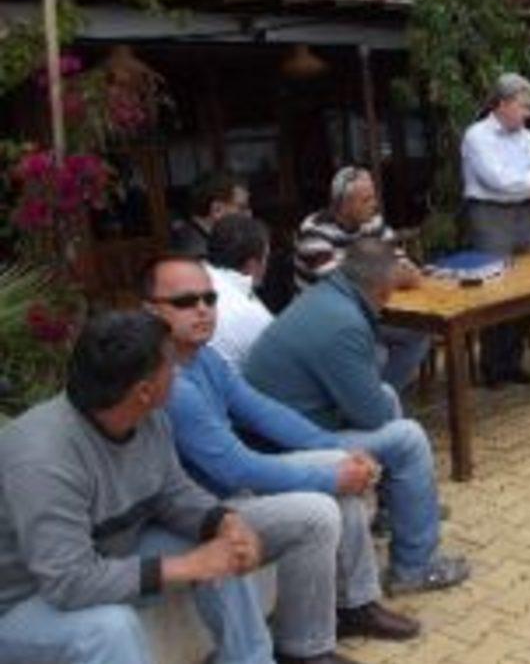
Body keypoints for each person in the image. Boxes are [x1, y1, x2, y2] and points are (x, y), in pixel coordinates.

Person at [0, 311, 351, 664]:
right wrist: (188, 566)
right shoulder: (42, 458)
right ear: (143, 391)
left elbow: (172, 492)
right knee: (109, 628)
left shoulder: (148, 417)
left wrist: (224, 521)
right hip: (21, 602)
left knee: (223, 548)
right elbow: (69, 582)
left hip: (105, 556)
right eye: (171, 365)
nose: (180, 372)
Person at [144, 256, 451, 630]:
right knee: (329, 498)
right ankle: (307, 643)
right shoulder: (173, 385)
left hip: (239, 480)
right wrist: (331, 475)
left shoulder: (203, 357)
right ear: (151, 310)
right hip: (207, 508)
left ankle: (356, 605)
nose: (202, 309)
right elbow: (236, 468)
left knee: (342, 473)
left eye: (209, 298)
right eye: (185, 301)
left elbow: (262, 410)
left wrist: (335, 449)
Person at [294, 166, 430, 389]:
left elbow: (400, 259)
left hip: (366, 314)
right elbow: (342, 285)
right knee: (376, 354)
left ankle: (382, 397)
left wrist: (401, 270)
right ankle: (368, 400)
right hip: (324, 321)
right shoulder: (314, 231)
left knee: (418, 333)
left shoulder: (372, 221)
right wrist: (391, 275)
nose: (374, 204)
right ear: (344, 205)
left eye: (373, 197)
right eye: (366, 200)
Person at [461, 72, 530, 387]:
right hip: (489, 215)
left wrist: (525, 183)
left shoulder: (527, 136)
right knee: (496, 288)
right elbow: (497, 181)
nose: (529, 113)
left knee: (525, 287)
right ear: (501, 104)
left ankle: (514, 361)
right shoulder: (476, 136)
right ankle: (492, 366)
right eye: (523, 106)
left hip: (522, 214)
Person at [207, 214, 274, 370]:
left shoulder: (191, 278)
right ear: (252, 265)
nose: (267, 266)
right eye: (266, 258)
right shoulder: (256, 318)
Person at [170, 171, 250, 257]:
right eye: (241, 208)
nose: (248, 214)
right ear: (217, 209)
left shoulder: (189, 237)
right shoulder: (198, 253)